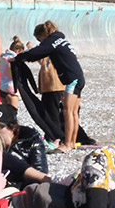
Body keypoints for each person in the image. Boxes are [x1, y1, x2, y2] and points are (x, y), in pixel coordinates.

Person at [14, 21, 85, 153]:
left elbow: (38, 52)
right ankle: (72, 141)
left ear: (43, 35)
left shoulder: (53, 41)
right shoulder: (60, 39)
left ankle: (68, 144)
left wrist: (20, 58)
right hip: (79, 77)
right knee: (73, 112)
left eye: (39, 39)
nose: (39, 42)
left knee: (67, 112)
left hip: (73, 80)